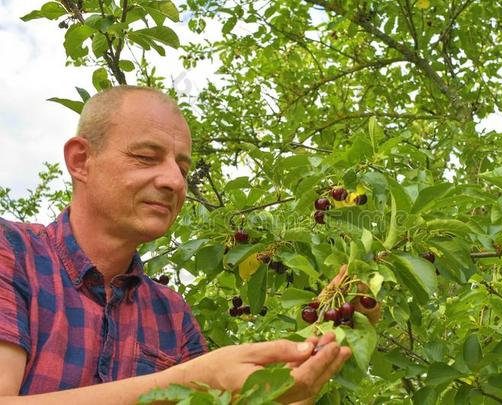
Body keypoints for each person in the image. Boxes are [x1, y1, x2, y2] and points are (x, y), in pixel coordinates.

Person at [0, 86, 352, 404]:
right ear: (81, 160)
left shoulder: (171, 313)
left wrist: (317, 349)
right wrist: (188, 382)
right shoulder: (12, 252)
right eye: (146, 157)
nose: (174, 181)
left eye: (182, 169)